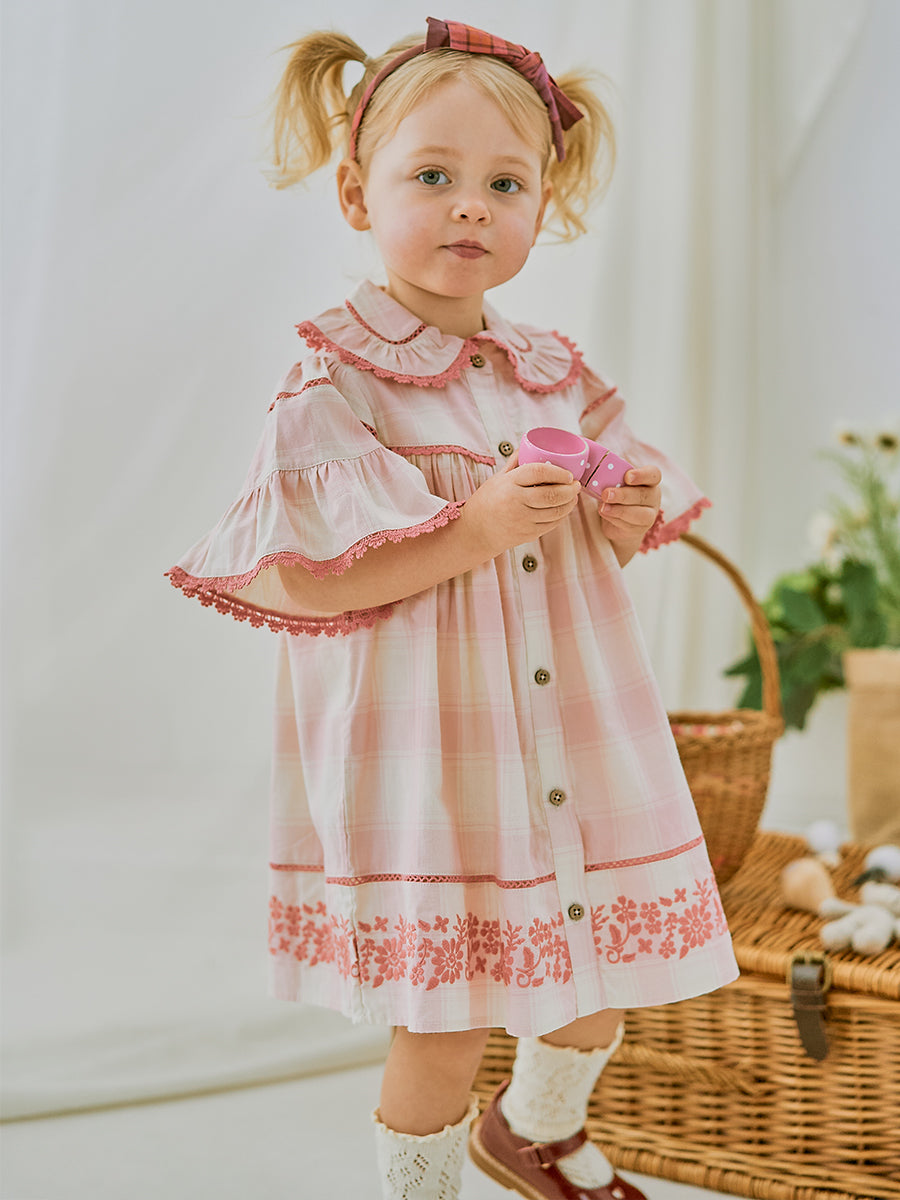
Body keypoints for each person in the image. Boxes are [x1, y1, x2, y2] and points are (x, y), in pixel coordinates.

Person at [167, 17, 739, 1200]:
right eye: (432, 175)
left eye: (504, 184)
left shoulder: (554, 373)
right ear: (356, 193)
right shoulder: (335, 383)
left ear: (543, 207)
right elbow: (308, 580)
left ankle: (534, 1130)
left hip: (571, 739)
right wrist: (471, 528)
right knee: (448, 1018)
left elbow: (578, 564)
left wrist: (616, 518)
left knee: (598, 984)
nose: (470, 206)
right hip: (437, 754)